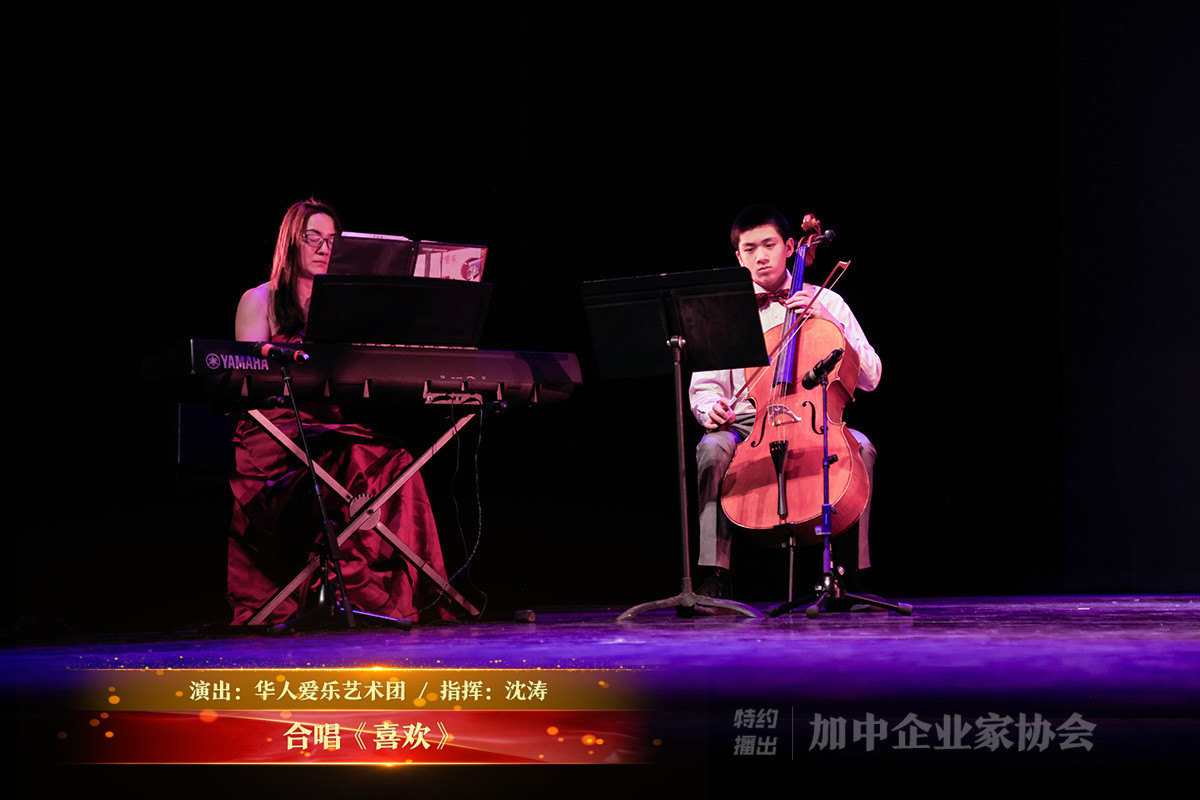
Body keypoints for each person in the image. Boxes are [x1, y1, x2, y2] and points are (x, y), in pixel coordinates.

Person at [227, 198, 453, 626]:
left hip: (329, 429)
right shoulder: (260, 299)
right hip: (275, 435)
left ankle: (397, 595)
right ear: (291, 241)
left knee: (396, 462)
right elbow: (252, 385)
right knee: (357, 458)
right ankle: (348, 588)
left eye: (332, 240)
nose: (324, 248)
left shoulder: (344, 308)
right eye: (313, 237)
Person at [687, 204, 882, 607]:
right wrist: (711, 408)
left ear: (791, 247)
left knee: (862, 447)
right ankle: (714, 577)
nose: (761, 256)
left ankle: (851, 576)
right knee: (711, 448)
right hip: (750, 424)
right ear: (738, 256)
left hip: (814, 420)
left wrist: (829, 322)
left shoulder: (828, 301)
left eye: (770, 245)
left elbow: (871, 376)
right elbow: (704, 388)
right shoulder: (727, 313)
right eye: (750, 249)